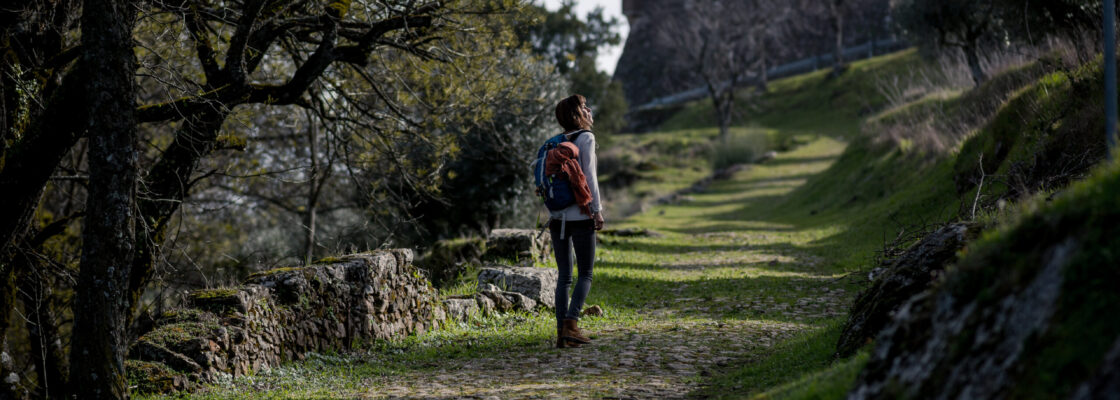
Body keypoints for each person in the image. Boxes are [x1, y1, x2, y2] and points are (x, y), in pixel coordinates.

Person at [549, 94, 604, 349]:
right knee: (586, 274)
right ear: (576, 114)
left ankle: (561, 332)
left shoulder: (556, 142)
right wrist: (597, 210)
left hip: (557, 218)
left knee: (564, 277)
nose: (589, 109)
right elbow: (590, 178)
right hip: (581, 217)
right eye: (584, 107)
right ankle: (572, 325)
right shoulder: (586, 138)